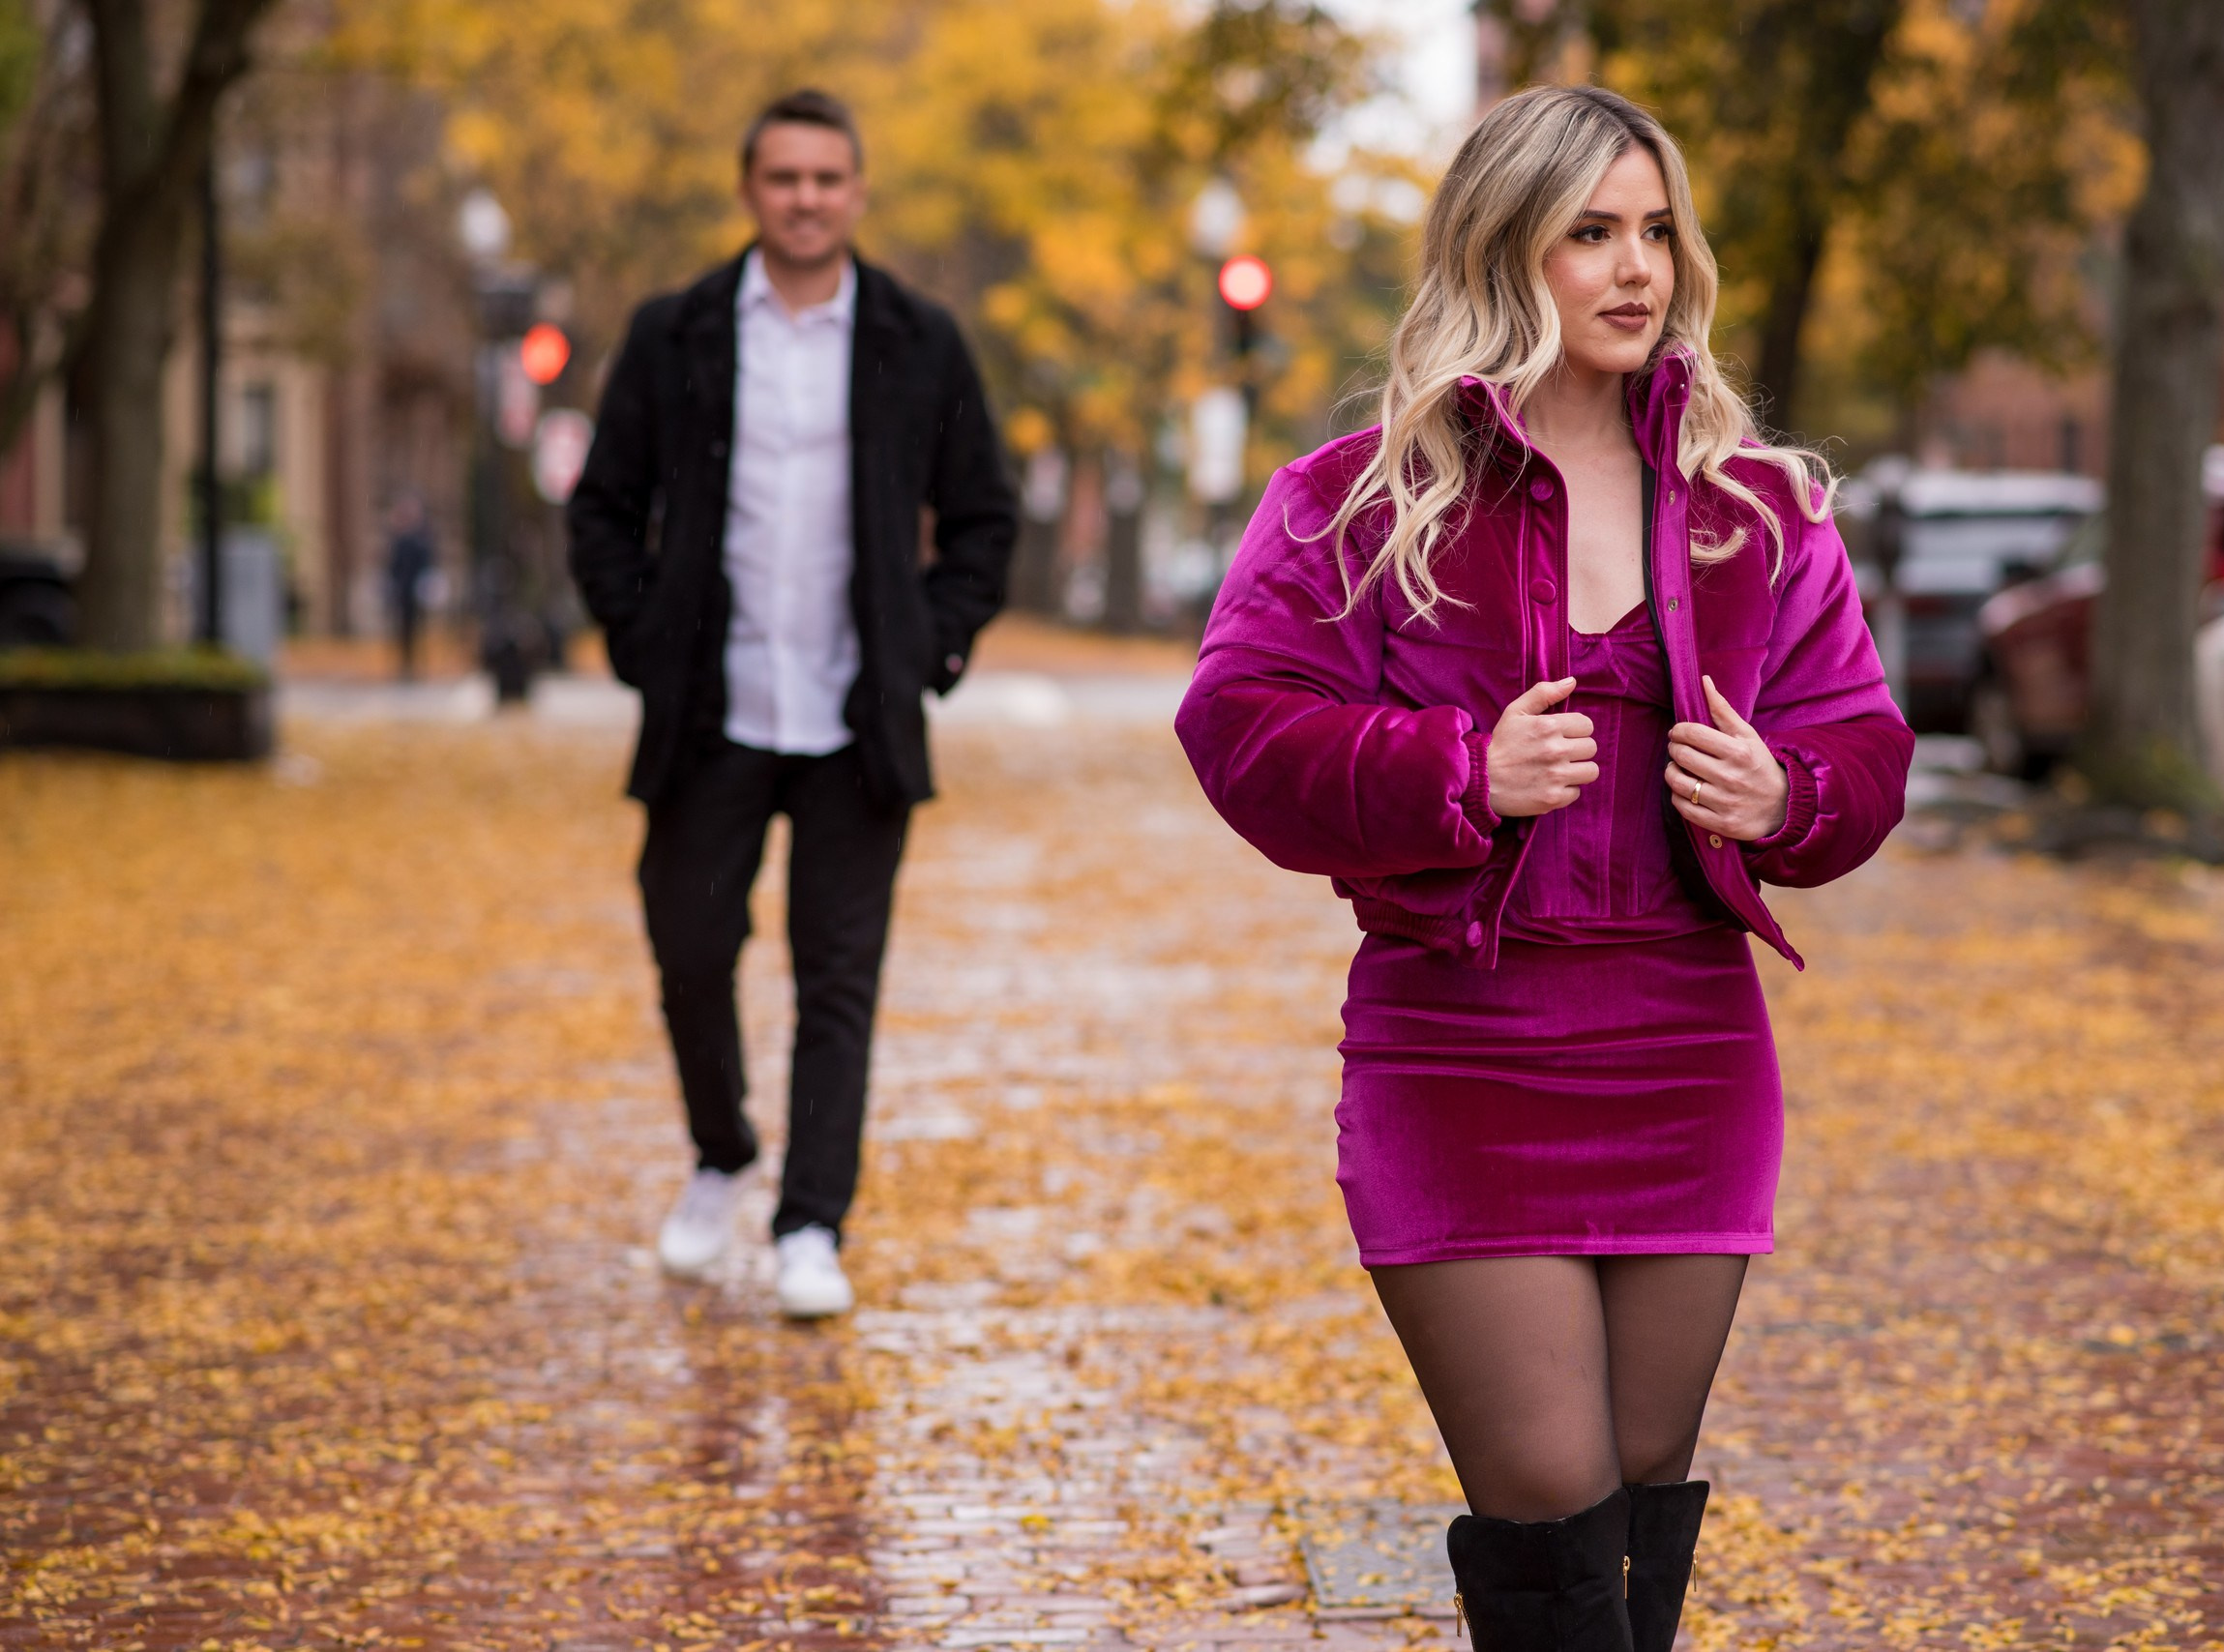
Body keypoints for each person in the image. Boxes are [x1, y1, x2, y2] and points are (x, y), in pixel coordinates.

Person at [1174, 86, 1912, 1651]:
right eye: (1591, 233)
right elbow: (1236, 726)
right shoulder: (1357, 501)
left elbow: (1865, 748)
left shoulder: (1755, 509)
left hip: (1690, 1048)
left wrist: (1790, 793)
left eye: (1655, 231)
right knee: (1550, 1484)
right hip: (1462, 1047)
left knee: (1640, 1499)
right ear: (1506, 253)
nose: (1635, 268)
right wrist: (1456, 768)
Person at [568, 89, 1016, 1318]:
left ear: (858, 192)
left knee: (838, 979)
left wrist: (930, 645)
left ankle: (813, 1220)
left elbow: (984, 514)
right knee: (689, 950)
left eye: (828, 178)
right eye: (784, 178)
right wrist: (641, 636)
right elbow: (603, 506)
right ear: (749, 189)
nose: (806, 198)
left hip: (855, 720)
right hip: (708, 712)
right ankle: (721, 1154)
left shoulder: (920, 339)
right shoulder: (675, 334)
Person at [383, 494, 434, 682]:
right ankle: (404, 666)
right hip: (402, 592)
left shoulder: (421, 538)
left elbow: (426, 563)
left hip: (416, 593)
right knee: (401, 631)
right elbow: (392, 566)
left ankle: (415, 666)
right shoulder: (398, 539)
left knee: (416, 630)